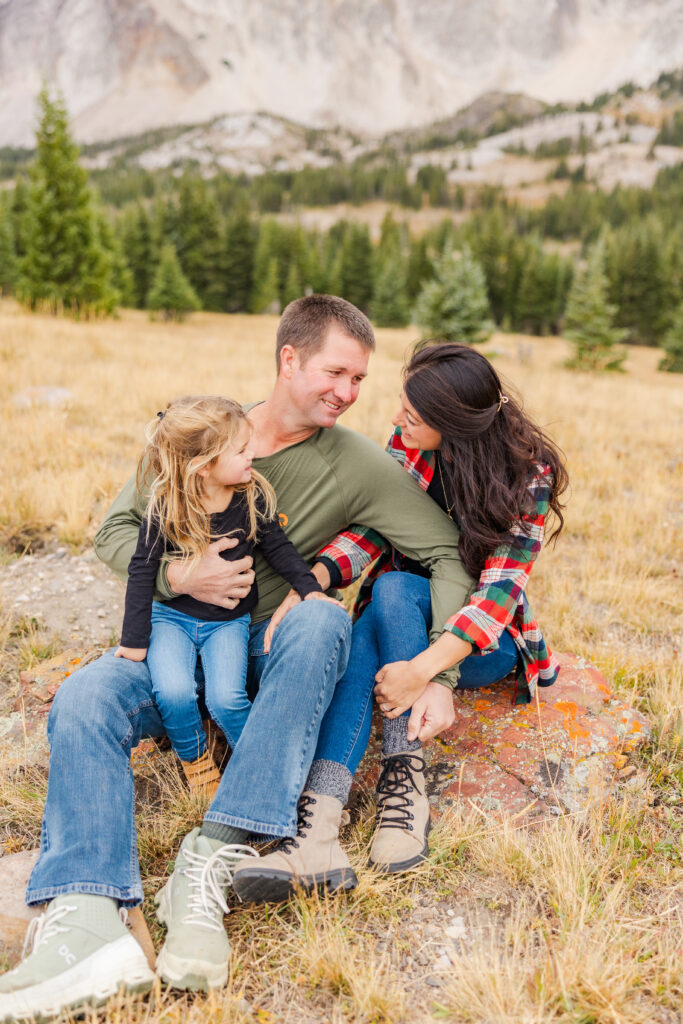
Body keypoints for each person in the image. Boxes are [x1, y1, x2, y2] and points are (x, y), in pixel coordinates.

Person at [0, 296, 473, 1019]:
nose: (347, 394)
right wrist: (176, 576)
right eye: (335, 372)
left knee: (320, 623)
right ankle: (90, 917)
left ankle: (212, 856)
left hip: (266, 657)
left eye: (358, 380)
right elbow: (113, 531)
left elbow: (443, 550)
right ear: (289, 359)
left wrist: (437, 665)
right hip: (168, 639)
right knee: (89, 696)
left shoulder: (356, 463)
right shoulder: (201, 433)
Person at [232, 341, 567, 897]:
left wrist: (432, 676)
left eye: (410, 416)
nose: (395, 420)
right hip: (396, 620)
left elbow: (498, 592)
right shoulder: (410, 447)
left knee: (390, 592)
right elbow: (371, 529)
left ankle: (399, 787)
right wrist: (311, 580)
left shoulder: (528, 472)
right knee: (378, 603)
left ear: (454, 426)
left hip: (483, 645)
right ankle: (318, 833)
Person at [117, 395, 327, 797]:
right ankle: (196, 762)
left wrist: (309, 589)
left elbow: (278, 548)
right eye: (242, 450)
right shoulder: (166, 506)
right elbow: (142, 569)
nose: (254, 455)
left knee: (226, 698)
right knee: (175, 694)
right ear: (203, 466)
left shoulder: (251, 496)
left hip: (229, 623)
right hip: (171, 621)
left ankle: (260, 767)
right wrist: (133, 640)